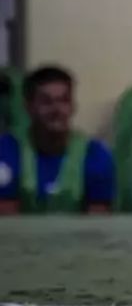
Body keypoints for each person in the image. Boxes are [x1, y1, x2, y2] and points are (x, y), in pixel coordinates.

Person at [0, 66, 116, 214]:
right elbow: (7, 228)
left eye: (64, 101)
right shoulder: (6, 150)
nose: (57, 109)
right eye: (46, 102)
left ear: (73, 106)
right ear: (28, 107)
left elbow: (98, 227)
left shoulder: (96, 155)